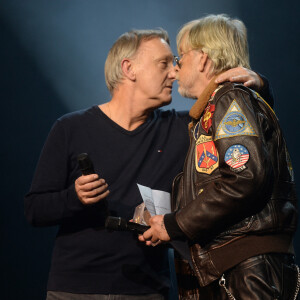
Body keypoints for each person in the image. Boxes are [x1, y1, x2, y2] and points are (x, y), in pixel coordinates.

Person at [25, 28, 272, 300]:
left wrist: (259, 84)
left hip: (147, 289)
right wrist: (75, 197)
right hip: (74, 288)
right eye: (163, 63)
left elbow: (249, 132)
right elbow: (35, 209)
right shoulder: (70, 128)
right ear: (129, 68)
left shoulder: (185, 129)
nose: (174, 72)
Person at [139, 15, 299, 299]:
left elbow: (245, 178)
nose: (176, 69)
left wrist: (175, 224)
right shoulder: (219, 106)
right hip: (241, 271)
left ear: (202, 59)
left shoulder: (230, 98)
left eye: (181, 57)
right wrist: (166, 220)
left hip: (246, 274)